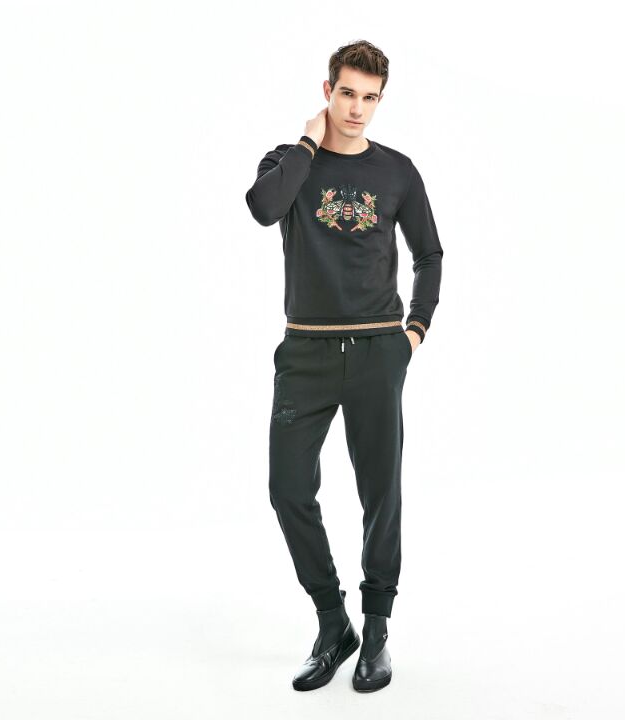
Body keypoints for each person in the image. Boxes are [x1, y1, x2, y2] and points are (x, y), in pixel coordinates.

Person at [245, 40, 443, 692]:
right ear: (328, 89)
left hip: (378, 351)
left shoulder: (398, 171)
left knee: (380, 493)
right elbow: (264, 209)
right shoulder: (288, 162)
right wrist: (307, 145)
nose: (358, 108)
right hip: (305, 353)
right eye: (348, 93)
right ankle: (333, 623)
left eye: (370, 97)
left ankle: (376, 630)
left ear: (380, 99)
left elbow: (430, 254)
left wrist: (414, 331)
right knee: (287, 488)